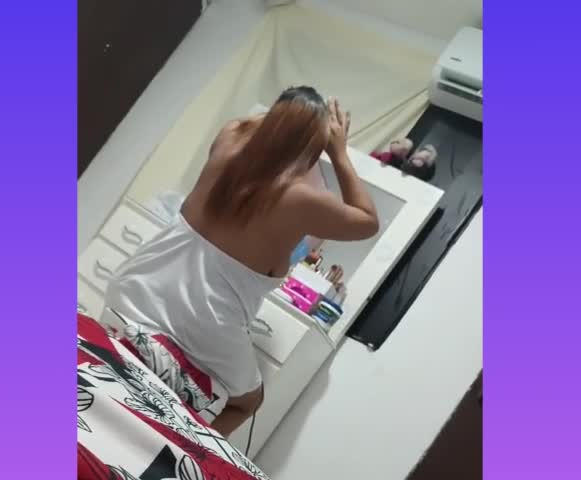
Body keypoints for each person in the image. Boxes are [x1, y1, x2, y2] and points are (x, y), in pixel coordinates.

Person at [103, 86, 380, 436]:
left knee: (110, 365)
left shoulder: (230, 137)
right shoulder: (301, 198)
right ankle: (181, 452)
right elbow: (367, 221)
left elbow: (262, 130)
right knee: (247, 400)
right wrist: (338, 152)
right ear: (313, 147)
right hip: (201, 318)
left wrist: (295, 111)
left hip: (135, 285)